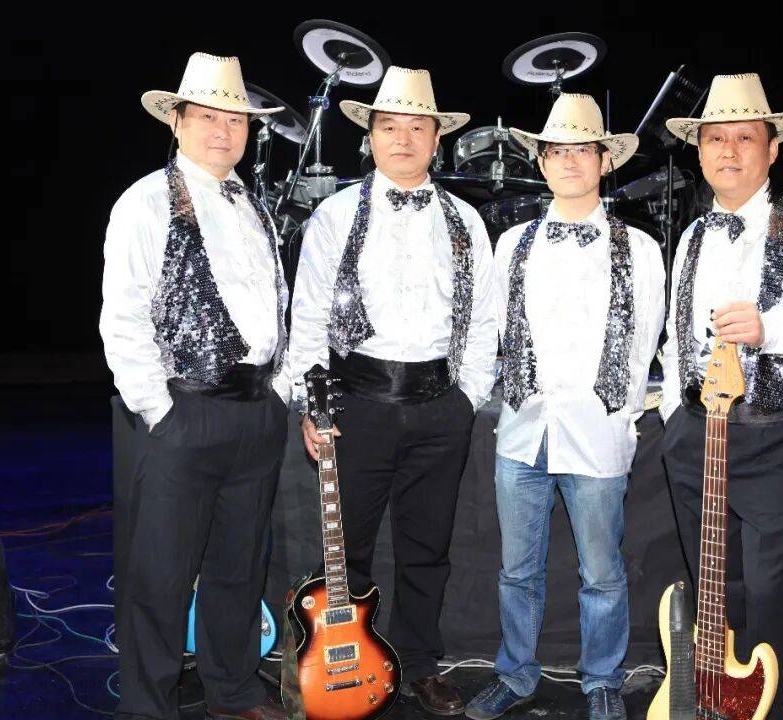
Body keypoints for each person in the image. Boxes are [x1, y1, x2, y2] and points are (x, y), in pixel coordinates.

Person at [287, 66, 499, 716]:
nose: (403, 140)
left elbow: (484, 319)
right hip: (357, 402)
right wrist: (311, 404)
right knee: (346, 548)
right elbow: (309, 315)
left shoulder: (466, 221)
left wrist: (467, 397)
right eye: (389, 127)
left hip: (440, 406)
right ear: (370, 136)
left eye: (416, 128)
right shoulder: (333, 215)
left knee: (426, 549)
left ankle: (421, 667)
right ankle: (342, 664)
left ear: (437, 138)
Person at [100, 51, 290, 720]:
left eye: (234, 119)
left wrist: (280, 392)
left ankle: (232, 692)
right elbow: (123, 318)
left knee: (240, 569)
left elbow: (274, 307)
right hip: (185, 413)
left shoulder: (255, 205)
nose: (222, 130)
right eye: (206, 116)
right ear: (176, 122)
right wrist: (161, 412)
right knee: (160, 576)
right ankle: (148, 708)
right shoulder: (145, 202)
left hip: (256, 411)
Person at [465, 93, 666, 720]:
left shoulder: (640, 247)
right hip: (522, 432)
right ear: (542, 162)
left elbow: (643, 344)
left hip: (596, 433)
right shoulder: (512, 242)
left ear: (605, 161)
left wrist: (622, 419)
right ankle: (515, 674)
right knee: (515, 571)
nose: (570, 161)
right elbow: (493, 326)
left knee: (601, 574)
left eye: (583, 150)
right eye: (557, 151)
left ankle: (602, 679)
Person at [660, 72, 783, 720]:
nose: (729, 150)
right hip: (695, 435)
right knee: (716, 588)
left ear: (772, 148)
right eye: (716, 138)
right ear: (699, 151)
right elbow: (675, 334)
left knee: (770, 591)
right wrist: (673, 415)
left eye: (745, 137)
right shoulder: (692, 234)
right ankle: (718, 704)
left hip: (777, 434)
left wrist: (770, 327)